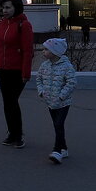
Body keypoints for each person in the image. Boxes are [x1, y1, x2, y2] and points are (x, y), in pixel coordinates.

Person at [0, 0, 34, 148]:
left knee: (12, 101)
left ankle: (17, 135)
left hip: (17, 71)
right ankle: (12, 133)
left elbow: (27, 51)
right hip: (2, 69)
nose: (5, 11)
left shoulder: (24, 25)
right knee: (7, 102)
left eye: (8, 7)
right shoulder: (0, 24)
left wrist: (26, 73)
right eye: (3, 8)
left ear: (16, 8)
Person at [35, 37, 77, 165]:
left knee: (59, 124)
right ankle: (64, 148)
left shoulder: (67, 67)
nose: (43, 51)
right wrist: (41, 91)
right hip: (50, 102)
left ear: (55, 51)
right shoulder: (44, 66)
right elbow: (39, 79)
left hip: (63, 103)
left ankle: (57, 151)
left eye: (46, 49)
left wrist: (61, 96)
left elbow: (72, 83)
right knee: (57, 125)